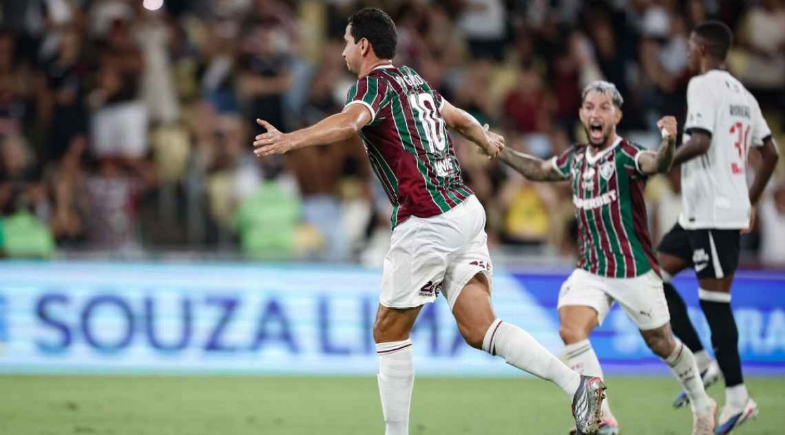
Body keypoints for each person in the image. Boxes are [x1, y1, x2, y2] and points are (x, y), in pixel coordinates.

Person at [252, 8, 607, 435]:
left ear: (363, 45)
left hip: (427, 219)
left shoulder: (373, 86)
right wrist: (484, 138)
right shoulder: (413, 80)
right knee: (480, 329)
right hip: (465, 209)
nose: (344, 51)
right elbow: (458, 118)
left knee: (387, 329)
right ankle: (577, 386)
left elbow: (350, 123)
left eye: (347, 42)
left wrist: (291, 139)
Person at [498, 80, 716, 435]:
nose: (595, 113)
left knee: (662, 343)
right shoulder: (576, 158)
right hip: (591, 269)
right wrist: (498, 149)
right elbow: (538, 170)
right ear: (582, 114)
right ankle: (603, 419)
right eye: (589, 107)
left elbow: (657, 163)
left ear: (617, 115)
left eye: (604, 107)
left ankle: (703, 405)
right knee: (571, 328)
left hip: (633, 270)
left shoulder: (628, 155)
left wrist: (670, 143)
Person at [656, 21, 780, 434]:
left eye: (690, 46)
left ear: (704, 49)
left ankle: (739, 399)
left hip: (713, 213)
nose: (687, 53)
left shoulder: (702, 86)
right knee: (652, 277)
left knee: (714, 304)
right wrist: (751, 200)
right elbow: (771, 152)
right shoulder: (743, 93)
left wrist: (661, 161)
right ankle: (702, 363)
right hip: (701, 212)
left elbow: (703, 141)